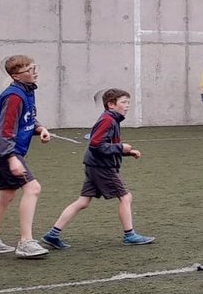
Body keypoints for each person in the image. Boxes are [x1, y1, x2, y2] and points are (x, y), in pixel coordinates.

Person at [42, 88, 155, 248]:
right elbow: (96, 145)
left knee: (83, 201)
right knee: (125, 197)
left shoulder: (111, 119)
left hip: (94, 165)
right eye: (124, 102)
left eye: (128, 102)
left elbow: (104, 145)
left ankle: (53, 234)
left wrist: (126, 152)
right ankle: (130, 235)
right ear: (111, 105)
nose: (127, 106)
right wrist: (121, 148)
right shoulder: (108, 120)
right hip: (102, 167)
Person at [0, 55, 52, 258]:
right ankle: (26, 242)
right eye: (29, 69)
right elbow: (5, 129)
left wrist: (40, 128)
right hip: (4, 150)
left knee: (6, 194)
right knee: (33, 188)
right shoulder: (14, 96)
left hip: (3, 149)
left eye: (34, 67)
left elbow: (28, 118)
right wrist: (11, 157)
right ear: (16, 76)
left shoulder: (27, 91)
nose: (34, 71)